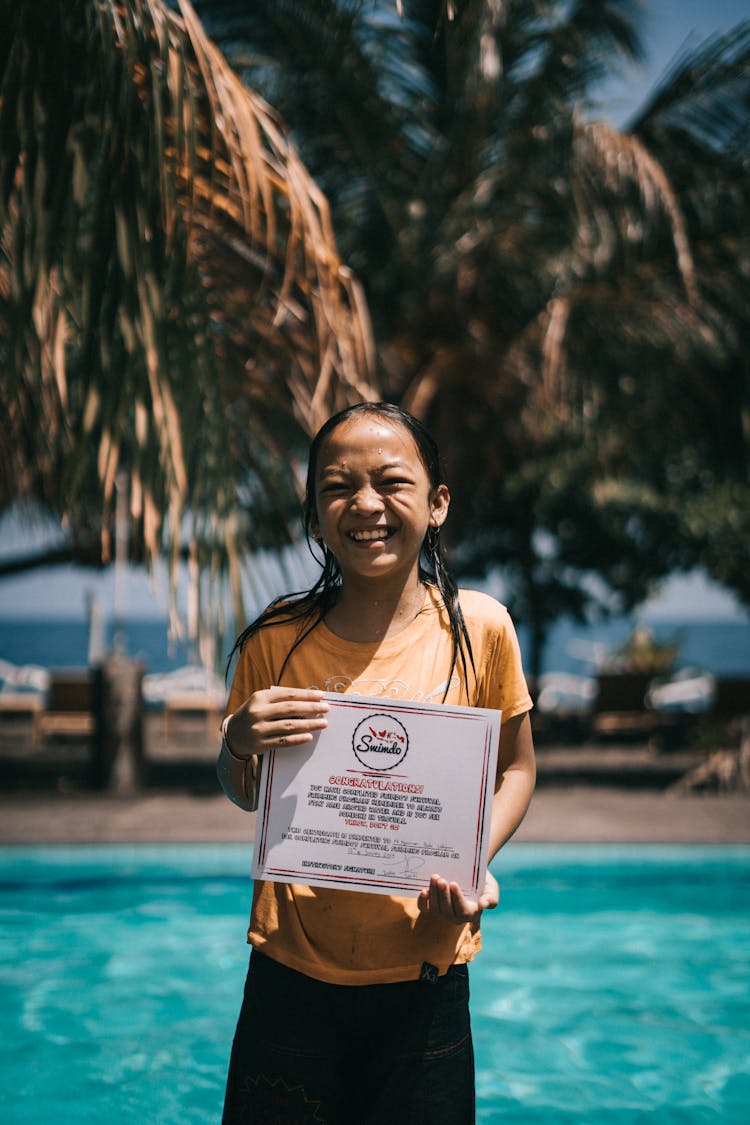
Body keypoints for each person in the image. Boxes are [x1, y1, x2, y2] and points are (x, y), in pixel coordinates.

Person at [217, 402, 535, 1124]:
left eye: (391, 481)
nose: (365, 504)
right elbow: (244, 793)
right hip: (289, 981)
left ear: (438, 502)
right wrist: (237, 741)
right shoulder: (278, 639)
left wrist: (472, 857)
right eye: (337, 486)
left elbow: (516, 769)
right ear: (314, 510)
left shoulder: (479, 629)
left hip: (427, 977)